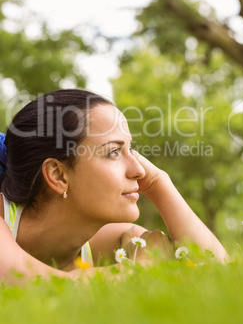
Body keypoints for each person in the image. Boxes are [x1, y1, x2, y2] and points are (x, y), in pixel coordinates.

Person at [0, 89, 228, 284]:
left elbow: (222, 276)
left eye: (131, 149)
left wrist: (159, 183)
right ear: (58, 175)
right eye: (113, 152)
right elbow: (40, 283)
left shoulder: (109, 240)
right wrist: (142, 267)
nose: (139, 170)